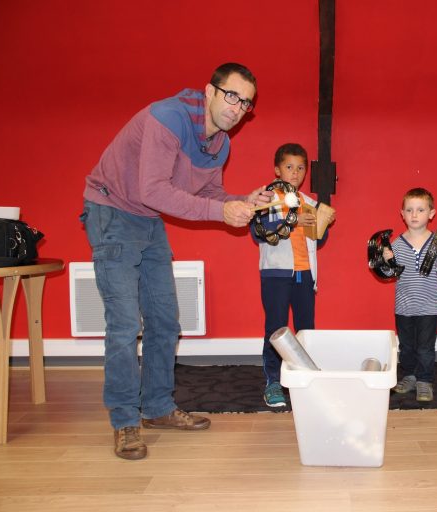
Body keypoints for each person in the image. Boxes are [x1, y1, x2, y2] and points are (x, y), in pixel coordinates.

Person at [81, 63, 273, 460]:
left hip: (147, 219)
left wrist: (241, 202)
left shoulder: (220, 144)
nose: (237, 108)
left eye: (246, 103)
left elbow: (211, 194)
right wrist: (221, 213)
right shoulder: (167, 117)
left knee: (165, 320)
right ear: (210, 91)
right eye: (232, 96)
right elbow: (153, 190)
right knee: (124, 324)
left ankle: (157, 407)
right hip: (111, 211)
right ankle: (125, 420)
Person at [251, 143, 334, 407]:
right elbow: (258, 233)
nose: (295, 173)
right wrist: (293, 221)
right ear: (277, 170)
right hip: (276, 274)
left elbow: (317, 241)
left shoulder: (308, 202)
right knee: (276, 328)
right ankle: (273, 381)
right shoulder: (267, 199)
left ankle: (305, 377)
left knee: (306, 328)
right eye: (289, 167)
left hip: (305, 274)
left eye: (300, 168)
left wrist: (322, 223)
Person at [386, 188, 437, 402]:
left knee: (425, 348)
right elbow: (389, 274)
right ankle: (409, 376)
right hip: (404, 306)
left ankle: (424, 380)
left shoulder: (436, 242)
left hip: (429, 307)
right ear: (402, 214)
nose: (414, 215)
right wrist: (386, 260)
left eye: (420, 210)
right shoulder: (396, 245)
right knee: (407, 347)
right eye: (409, 210)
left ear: (431, 214)